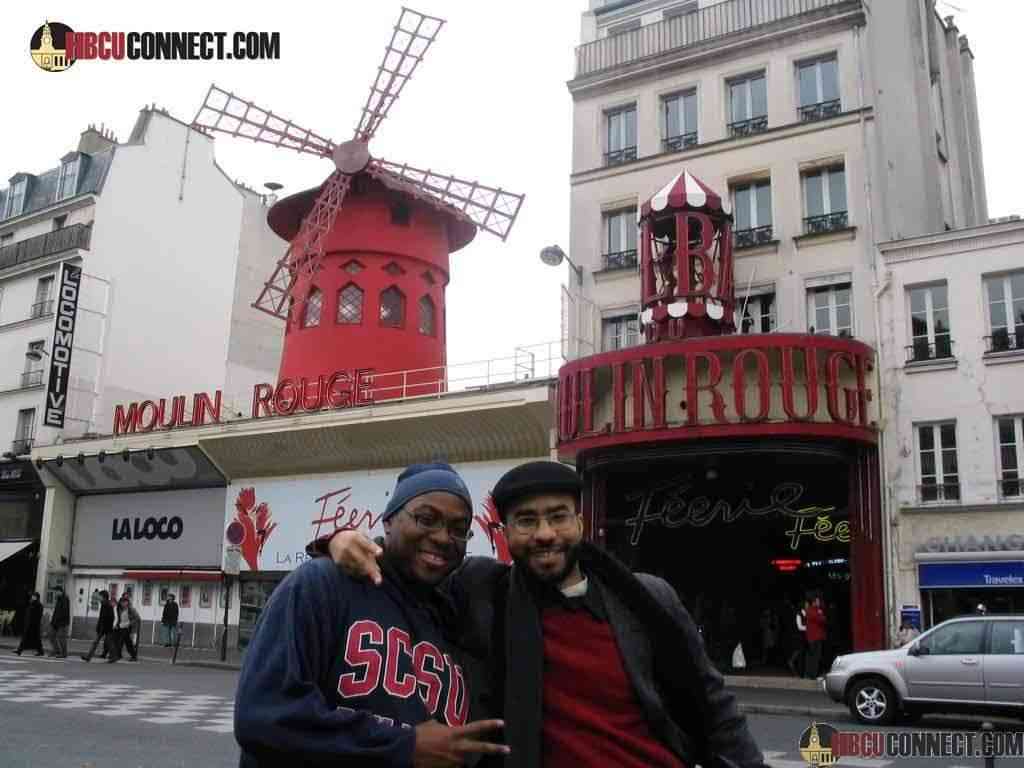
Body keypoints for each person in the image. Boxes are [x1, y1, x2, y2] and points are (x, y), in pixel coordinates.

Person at [321, 460, 766, 768]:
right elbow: (406, 559)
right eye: (526, 521)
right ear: (505, 532)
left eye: (558, 517)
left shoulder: (646, 597)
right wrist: (337, 540)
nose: (545, 534)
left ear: (581, 522)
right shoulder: (482, 589)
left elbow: (713, 706)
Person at [234, 462, 509, 768]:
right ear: (388, 521)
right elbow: (263, 716)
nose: (444, 537)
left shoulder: (455, 617)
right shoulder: (323, 584)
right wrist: (404, 747)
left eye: (459, 530)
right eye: (426, 519)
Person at [81, 590, 115, 662]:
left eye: (100, 596)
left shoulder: (108, 605)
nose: (98, 597)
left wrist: (106, 627)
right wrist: (99, 626)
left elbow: (111, 617)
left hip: (107, 628)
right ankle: (88, 657)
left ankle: (113, 656)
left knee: (109, 643)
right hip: (101, 628)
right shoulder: (103, 604)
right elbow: (101, 617)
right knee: (95, 642)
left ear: (104, 597)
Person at [108, 594, 140, 663]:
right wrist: (117, 625)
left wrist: (130, 624)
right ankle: (120, 655)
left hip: (127, 628)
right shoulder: (120, 609)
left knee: (122, 642)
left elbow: (137, 618)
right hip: (121, 627)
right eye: (122, 602)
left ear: (127, 602)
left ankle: (119, 656)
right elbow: (119, 618)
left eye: (124, 602)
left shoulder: (131, 609)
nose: (123, 603)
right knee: (124, 642)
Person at [13, 592, 44, 656]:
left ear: (37, 597)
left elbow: (37, 616)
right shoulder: (31, 604)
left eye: (34, 596)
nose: (33, 597)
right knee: (33, 639)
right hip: (29, 624)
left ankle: (20, 650)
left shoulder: (39, 605)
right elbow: (28, 614)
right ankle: (20, 650)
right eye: (32, 596)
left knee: (34, 639)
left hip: (34, 625)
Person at [804, 594, 827, 679]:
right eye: (817, 601)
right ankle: (811, 675)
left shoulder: (816, 610)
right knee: (814, 657)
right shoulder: (811, 610)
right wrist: (820, 614)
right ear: (813, 602)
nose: (819, 602)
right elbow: (822, 619)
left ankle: (811, 674)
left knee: (814, 657)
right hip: (814, 637)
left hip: (816, 637)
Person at [48, 586, 71, 658]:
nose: (55, 593)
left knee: (61, 638)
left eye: (56, 592)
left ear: (60, 591)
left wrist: (58, 620)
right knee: (51, 636)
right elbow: (56, 611)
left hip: (62, 622)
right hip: (56, 622)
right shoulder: (59, 599)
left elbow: (64, 612)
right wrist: (53, 621)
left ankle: (64, 654)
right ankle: (57, 650)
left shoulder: (65, 599)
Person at [788, 598, 807, 676]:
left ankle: (799, 673)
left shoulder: (804, 613)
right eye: (806, 604)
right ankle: (796, 672)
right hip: (798, 638)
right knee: (797, 655)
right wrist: (809, 628)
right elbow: (799, 627)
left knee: (801, 656)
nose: (807, 605)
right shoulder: (798, 614)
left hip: (802, 638)